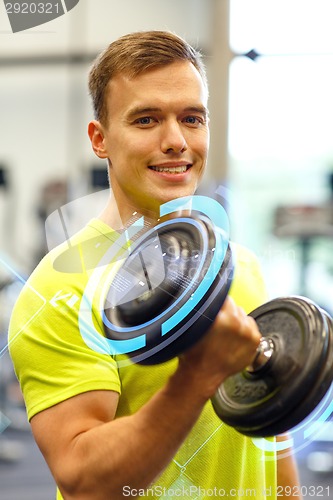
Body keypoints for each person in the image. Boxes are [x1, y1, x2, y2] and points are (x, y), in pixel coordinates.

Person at [9, 31, 301, 499]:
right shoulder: (59, 293)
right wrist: (197, 377)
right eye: (146, 120)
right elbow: (86, 482)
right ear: (100, 139)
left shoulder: (239, 265)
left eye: (192, 118)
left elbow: (273, 433)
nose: (176, 141)